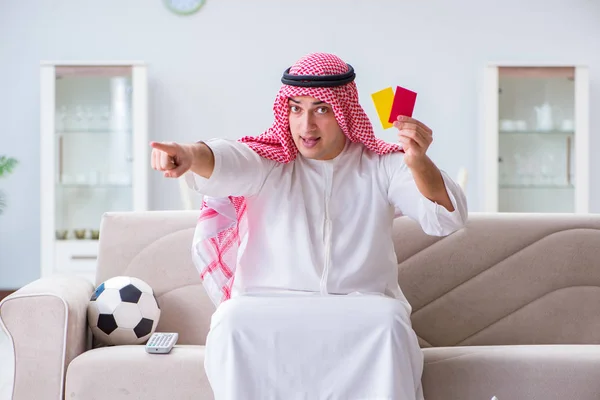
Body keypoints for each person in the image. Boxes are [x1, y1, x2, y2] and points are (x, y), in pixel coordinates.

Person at [150, 52, 468, 400]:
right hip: (268, 309)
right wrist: (188, 153)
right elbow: (225, 158)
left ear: (343, 110)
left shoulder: (382, 165)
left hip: (360, 311)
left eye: (321, 109)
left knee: (389, 322)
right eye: (296, 108)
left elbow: (445, 218)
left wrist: (418, 162)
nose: (306, 126)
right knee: (231, 320)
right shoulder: (266, 162)